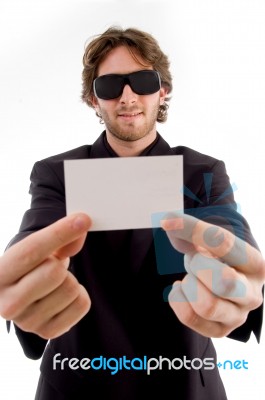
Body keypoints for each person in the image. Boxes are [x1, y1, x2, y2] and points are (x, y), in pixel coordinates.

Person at [0, 26, 264, 400]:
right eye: (110, 86)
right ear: (95, 100)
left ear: (162, 90)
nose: (127, 96)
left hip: (182, 383)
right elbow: (38, 229)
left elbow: (226, 228)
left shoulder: (202, 171)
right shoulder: (56, 173)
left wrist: (236, 269)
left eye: (141, 81)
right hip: (79, 384)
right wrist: (23, 269)